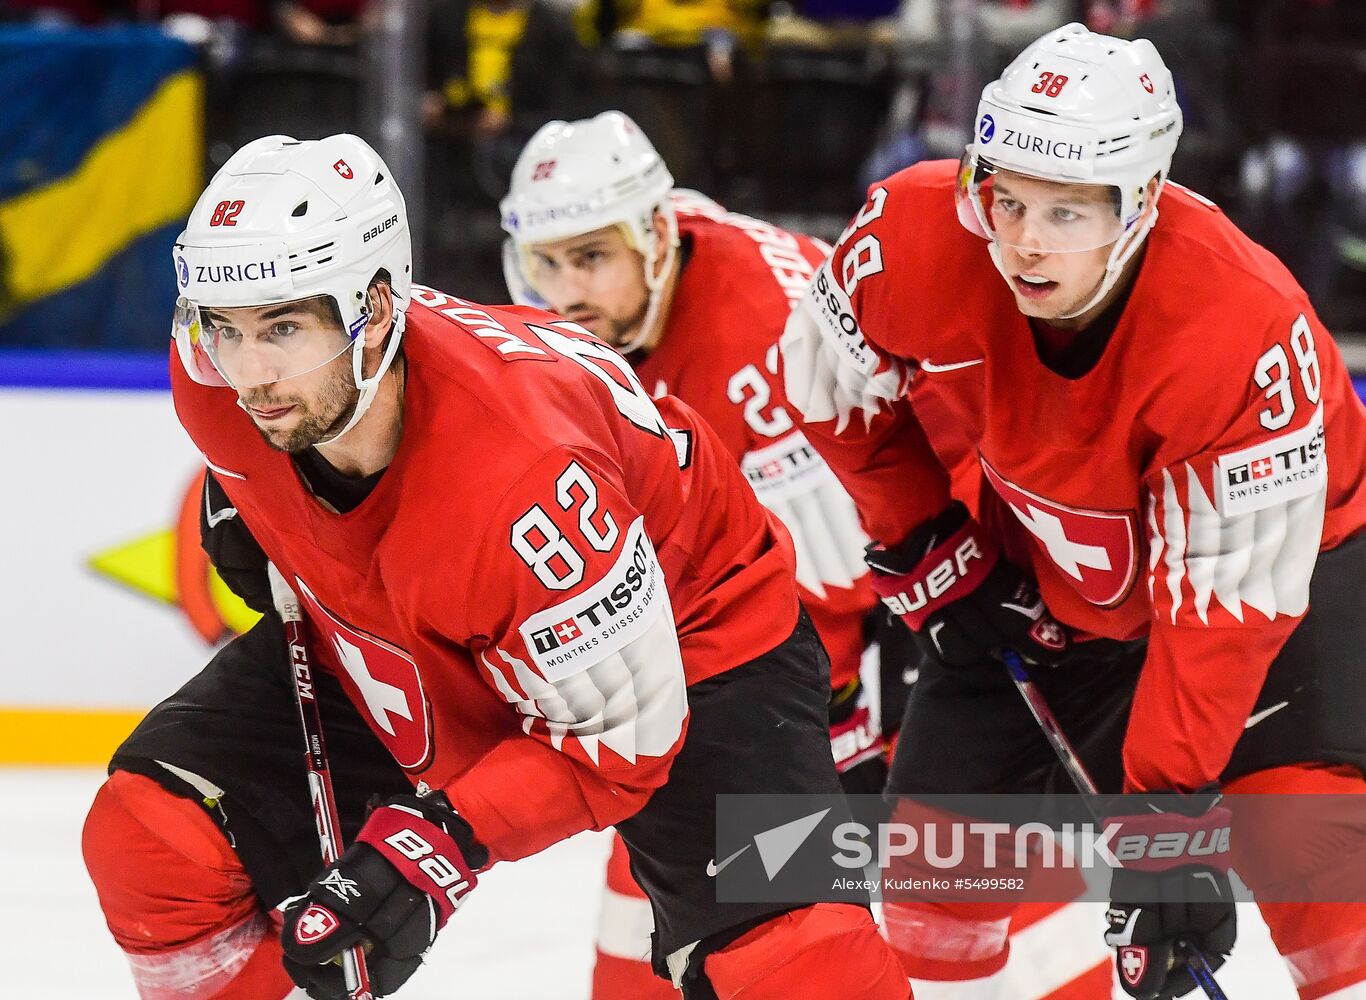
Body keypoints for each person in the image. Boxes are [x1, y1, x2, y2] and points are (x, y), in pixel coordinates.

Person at [80, 133, 910, 1000]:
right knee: (155, 836)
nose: (250, 374)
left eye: (285, 326)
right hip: (421, 620)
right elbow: (265, 424)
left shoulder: (527, 475)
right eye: (227, 328)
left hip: (688, 638)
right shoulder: (216, 381)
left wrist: (437, 844)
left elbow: (622, 740)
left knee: (795, 959)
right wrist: (253, 500)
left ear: (372, 312)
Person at [780, 20, 1366, 1000]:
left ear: (1139, 204)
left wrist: (1164, 825)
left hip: (1287, 579)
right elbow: (829, 383)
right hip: (1048, 573)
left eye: (1067, 213)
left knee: (1321, 868)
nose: (1022, 243)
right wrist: (924, 536)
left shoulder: (1234, 329)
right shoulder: (912, 236)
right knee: (930, 881)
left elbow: (1224, 608)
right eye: (1005, 199)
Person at [499, 110, 914, 999]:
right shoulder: (616, 312)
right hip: (727, 686)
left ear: (655, 237)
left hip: (827, 689)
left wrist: (841, 720)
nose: (566, 292)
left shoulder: (760, 335)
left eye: (591, 259)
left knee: (830, 942)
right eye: (549, 264)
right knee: (645, 936)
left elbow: (841, 566)